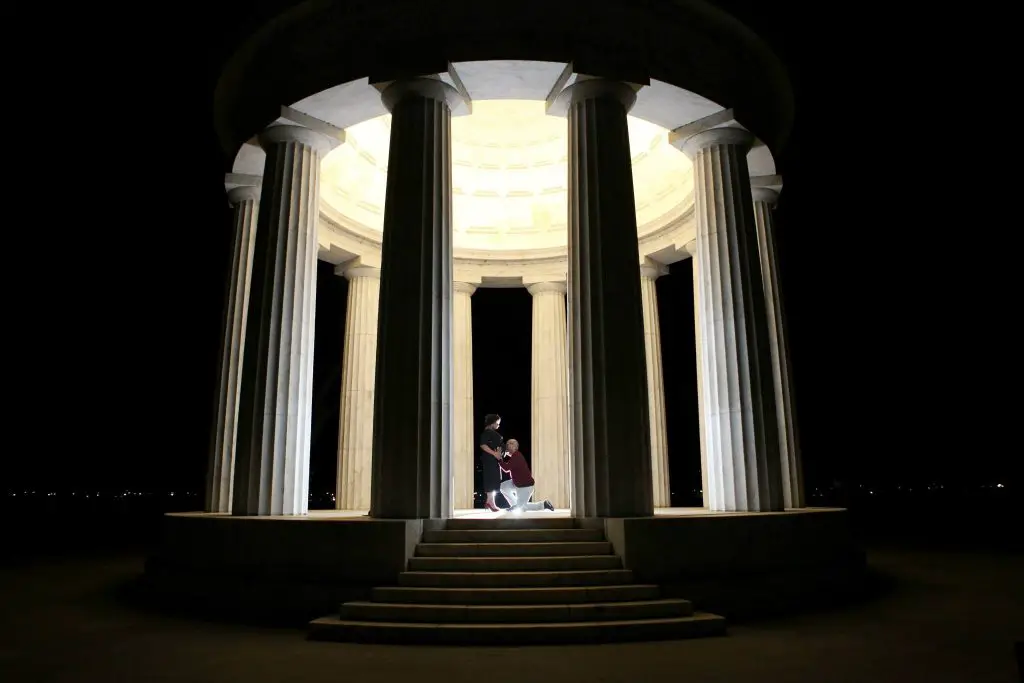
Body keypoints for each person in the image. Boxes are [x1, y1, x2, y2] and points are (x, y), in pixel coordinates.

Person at [498, 439, 554, 512]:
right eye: (507, 443)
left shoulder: (517, 456)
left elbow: (506, 468)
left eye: (511, 443)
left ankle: (544, 504)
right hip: (517, 483)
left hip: (525, 487)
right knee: (503, 487)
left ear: (516, 447)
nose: (508, 444)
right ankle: (515, 505)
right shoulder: (515, 456)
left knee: (522, 508)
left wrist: (499, 459)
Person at [478, 413, 505, 512]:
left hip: (494, 460)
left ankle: (490, 501)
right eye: (497, 423)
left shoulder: (491, 432)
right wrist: (494, 454)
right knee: (491, 480)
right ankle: (491, 502)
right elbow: (483, 445)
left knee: (494, 480)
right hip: (490, 460)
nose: (498, 425)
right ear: (492, 423)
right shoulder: (487, 432)